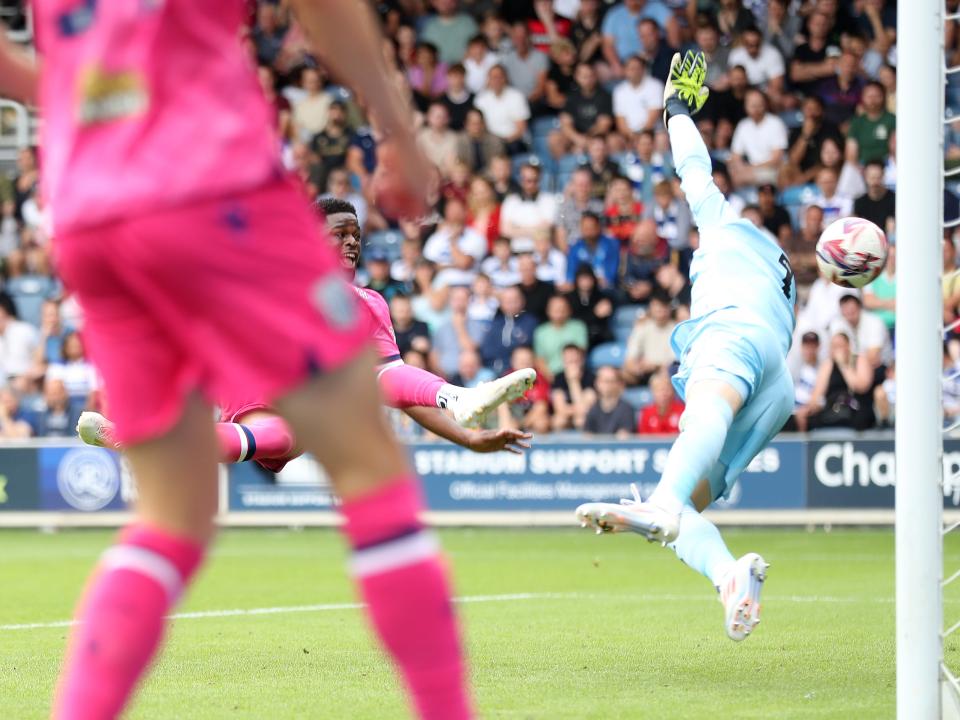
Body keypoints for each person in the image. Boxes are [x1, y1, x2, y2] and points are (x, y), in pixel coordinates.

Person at [7, 7, 485, 711]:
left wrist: (70, 98)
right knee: (369, 466)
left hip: (88, 212)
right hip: (210, 185)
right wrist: (396, 130)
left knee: (171, 516)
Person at [577, 53, 797, 643]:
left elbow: (693, 167)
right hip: (778, 387)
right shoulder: (783, 274)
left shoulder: (726, 227)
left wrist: (675, 109)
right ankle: (731, 575)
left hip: (734, 334)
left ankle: (660, 503)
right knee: (683, 516)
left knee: (679, 473)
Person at [551, 344, 597, 431]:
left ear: (581, 359)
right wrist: (574, 411)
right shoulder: (558, 378)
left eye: (574, 360)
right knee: (559, 421)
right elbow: (560, 409)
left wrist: (574, 382)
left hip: (583, 417)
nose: (572, 364)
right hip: (567, 417)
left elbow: (585, 409)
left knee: (581, 420)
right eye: (569, 360)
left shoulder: (590, 378)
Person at [583, 366, 635, 438]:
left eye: (610, 381)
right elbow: (587, 436)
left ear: (618, 384)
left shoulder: (626, 409)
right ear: (597, 383)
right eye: (603, 381)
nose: (606, 385)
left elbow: (624, 436)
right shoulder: (593, 409)